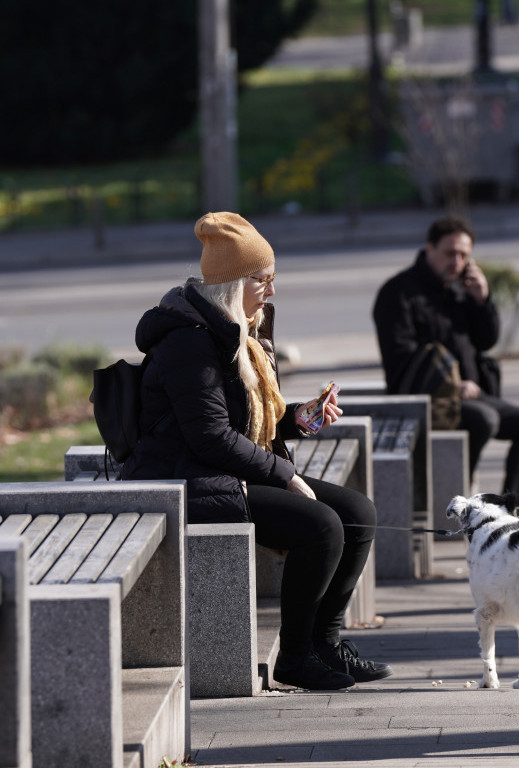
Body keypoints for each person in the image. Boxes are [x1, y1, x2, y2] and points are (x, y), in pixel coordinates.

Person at [121, 211, 392, 691]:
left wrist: (296, 417)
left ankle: (326, 645)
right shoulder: (189, 342)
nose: (271, 290)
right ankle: (296, 657)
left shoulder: (240, 328)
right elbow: (210, 436)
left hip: (219, 469)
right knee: (321, 526)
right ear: (231, 284)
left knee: (358, 513)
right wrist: (284, 475)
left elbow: (244, 419)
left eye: (272, 278)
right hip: (185, 479)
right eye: (262, 280)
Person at [373, 215, 519, 503]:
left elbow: (486, 341)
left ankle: (509, 512)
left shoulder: (460, 288)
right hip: (423, 399)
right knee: (484, 419)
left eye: (464, 255)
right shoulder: (398, 292)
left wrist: (481, 300)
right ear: (429, 248)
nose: (457, 262)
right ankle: (453, 497)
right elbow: (399, 356)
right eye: (450, 253)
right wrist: (451, 385)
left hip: (470, 396)